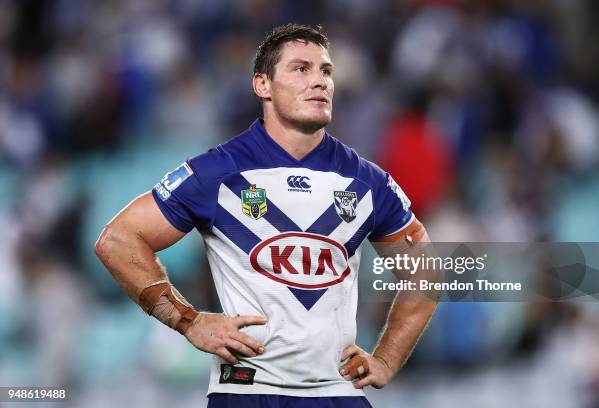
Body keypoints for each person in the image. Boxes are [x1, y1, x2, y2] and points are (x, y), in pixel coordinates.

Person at [95, 23, 437, 408]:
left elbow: (426, 273)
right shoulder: (216, 173)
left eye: (325, 71)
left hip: (336, 394)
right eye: (300, 69)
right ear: (262, 85)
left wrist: (387, 359)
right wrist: (188, 321)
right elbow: (117, 240)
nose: (319, 82)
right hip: (247, 393)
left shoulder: (368, 181)